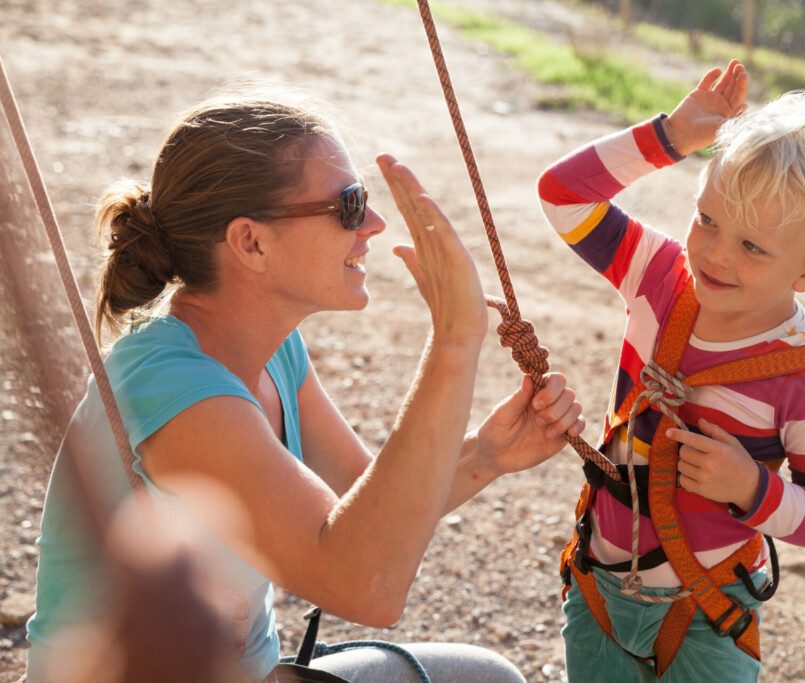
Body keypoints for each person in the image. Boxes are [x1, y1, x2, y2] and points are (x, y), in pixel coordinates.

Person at [26, 90, 589, 683]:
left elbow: (367, 506)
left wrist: (487, 456)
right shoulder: (173, 389)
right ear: (251, 242)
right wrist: (454, 337)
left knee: (488, 678)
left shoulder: (276, 353)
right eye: (349, 205)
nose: (372, 224)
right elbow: (365, 583)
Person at [538, 61, 805, 681]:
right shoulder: (659, 278)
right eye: (706, 219)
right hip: (600, 589)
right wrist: (668, 136)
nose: (715, 254)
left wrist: (751, 489)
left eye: (753, 247)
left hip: (708, 615)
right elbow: (564, 194)